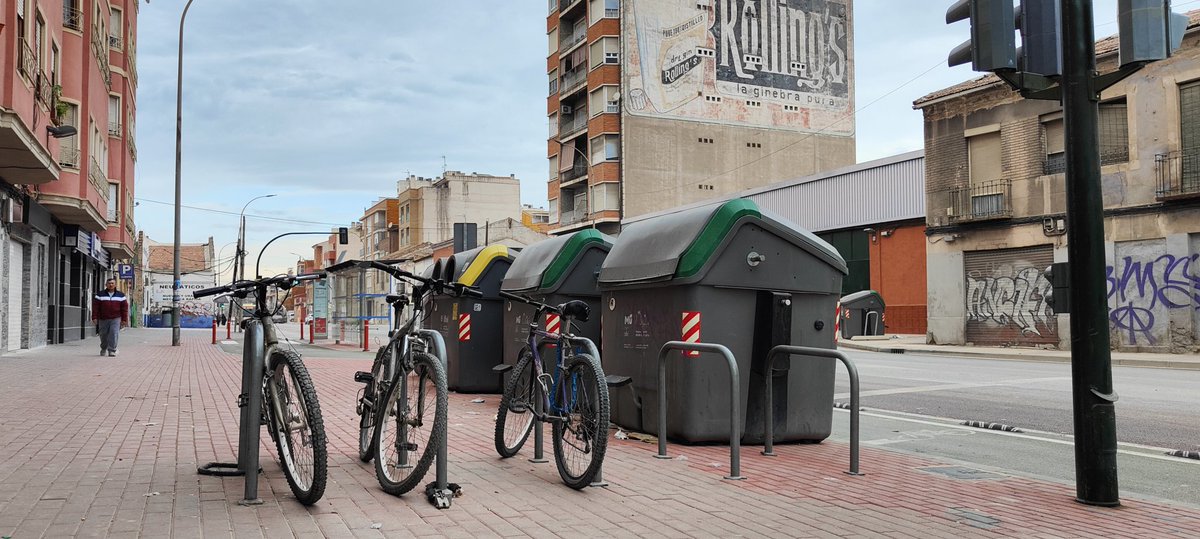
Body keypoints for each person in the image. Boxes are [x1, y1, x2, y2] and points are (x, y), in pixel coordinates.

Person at [92, 279, 128, 357]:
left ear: (115, 285)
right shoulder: (100, 295)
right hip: (103, 318)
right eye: (109, 283)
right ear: (106, 285)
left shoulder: (121, 295)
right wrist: (94, 317)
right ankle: (103, 348)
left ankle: (112, 350)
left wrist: (124, 319)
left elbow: (124, 308)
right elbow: (95, 307)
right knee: (103, 334)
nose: (111, 285)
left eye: (112, 283)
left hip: (116, 318)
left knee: (114, 333)